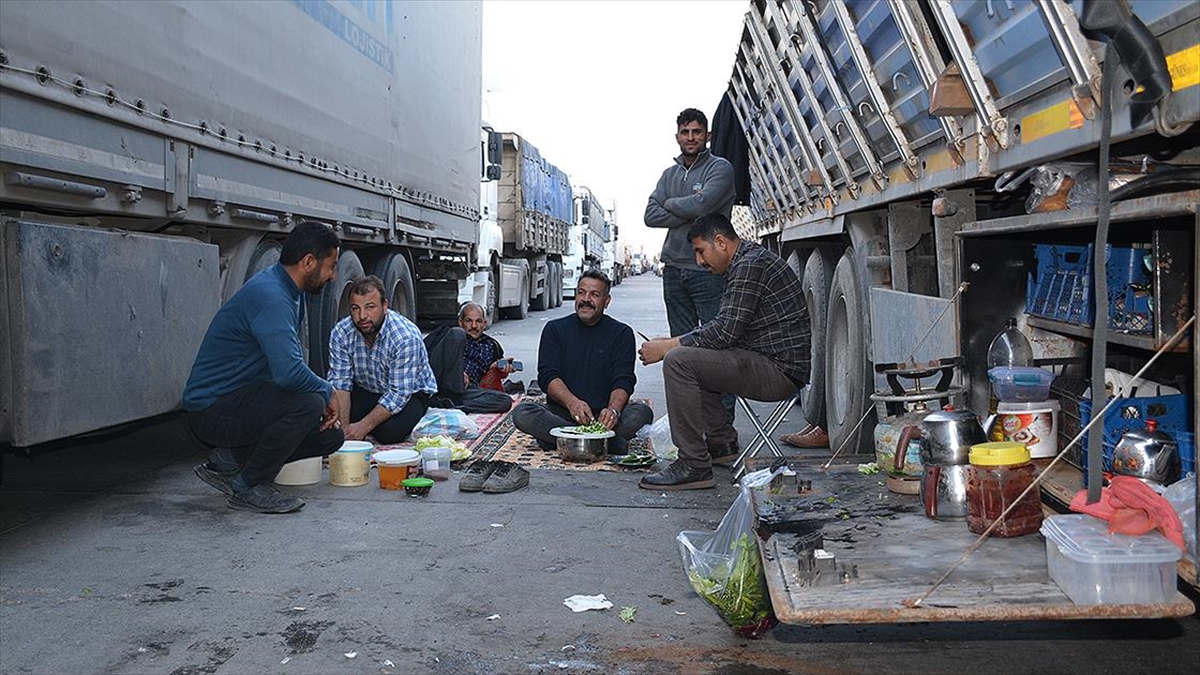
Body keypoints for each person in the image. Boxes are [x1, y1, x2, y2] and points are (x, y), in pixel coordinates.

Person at [637, 213, 811, 490]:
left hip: (779, 371)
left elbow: (723, 332)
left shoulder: (750, 265)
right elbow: (722, 332)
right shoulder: (746, 262)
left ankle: (693, 465)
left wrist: (668, 346)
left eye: (700, 251)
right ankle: (720, 443)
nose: (699, 262)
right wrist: (672, 340)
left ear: (720, 242)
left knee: (678, 361)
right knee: (693, 354)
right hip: (766, 362)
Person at [182, 221, 345, 514]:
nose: (333, 276)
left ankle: (229, 459)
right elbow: (288, 373)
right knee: (309, 404)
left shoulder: (289, 291)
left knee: (331, 436)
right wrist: (326, 390)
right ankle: (249, 487)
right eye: (331, 266)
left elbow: (284, 371)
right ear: (308, 262)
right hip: (211, 409)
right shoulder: (272, 296)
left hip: (240, 400)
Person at [511, 270, 653, 453]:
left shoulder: (621, 333)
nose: (586, 299)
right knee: (523, 413)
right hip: (564, 414)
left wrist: (613, 411)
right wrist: (572, 403)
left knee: (642, 413)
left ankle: (565, 439)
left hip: (605, 419)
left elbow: (623, 379)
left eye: (594, 295)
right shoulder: (555, 329)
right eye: (581, 292)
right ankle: (604, 443)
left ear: (606, 301)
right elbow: (548, 376)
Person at [644, 107, 736, 338]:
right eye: (685, 132)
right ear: (677, 137)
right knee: (680, 342)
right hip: (674, 270)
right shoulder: (669, 175)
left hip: (709, 270)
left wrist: (671, 203)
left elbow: (703, 205)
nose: (691, 137)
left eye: (697, 131)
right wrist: (693, 209)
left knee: (716, 339)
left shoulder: (720, 168)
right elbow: (650, 216)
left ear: (708, 136)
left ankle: (713, 377)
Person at [327, 275, 438, 443]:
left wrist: (362, 427)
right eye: (355, 308)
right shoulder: (341, 332)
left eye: (370, 307)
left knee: (390, 433)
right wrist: (344, 431)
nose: (362, 316)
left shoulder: (405, 337)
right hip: (368, 389)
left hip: (410, 393)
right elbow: (341, 382)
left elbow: (398, 394)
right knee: (329, 418)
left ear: (385, 306)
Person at [423, 302, 515, 414]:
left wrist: (496, 367)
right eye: (469, 321)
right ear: (460, 322)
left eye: (479, 321)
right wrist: (457, 372)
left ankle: (448, 404)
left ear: (484, 324)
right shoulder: (448, 335)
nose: (474, 326)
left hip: (466, 389)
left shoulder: (492, 345)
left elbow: (490, 375)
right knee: (458, 334)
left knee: (504, 401)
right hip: (441, 380)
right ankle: (442, 399)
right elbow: (425, 359)